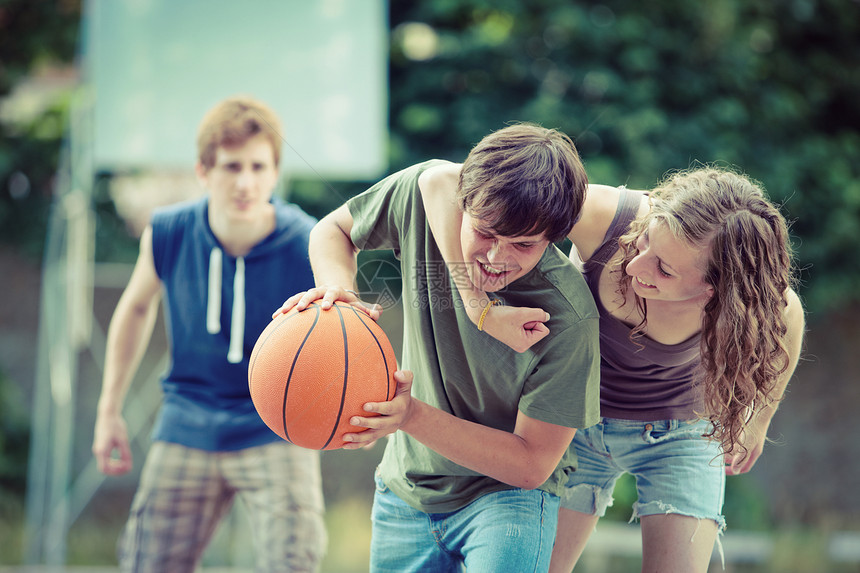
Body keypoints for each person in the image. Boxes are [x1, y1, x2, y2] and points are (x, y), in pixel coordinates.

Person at [276, 123, 602, 573]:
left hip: (508, 502)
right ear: (463, 203)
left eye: (523, 246)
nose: (496, 258)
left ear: (553, 240)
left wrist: (411, 415)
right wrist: (339, 295)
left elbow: (531, 465)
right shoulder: (421, 200)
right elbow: (332, 230)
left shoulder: (569, 318)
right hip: (406, 491)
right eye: (486, 233)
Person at [469, 165, 803, 572]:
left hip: (679, 433)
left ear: (717, 289)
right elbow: (453, 186)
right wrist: (478, 307)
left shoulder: (752, 299)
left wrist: (759, 420)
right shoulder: (603, 217)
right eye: (644, 241)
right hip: (573, 421)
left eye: (664, 269)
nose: (634, 266)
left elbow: (791, 318)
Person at [92, 96, 327, 572]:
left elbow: (340, 337)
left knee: (295, 564)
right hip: (189, 418)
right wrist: (109, 408)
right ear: (203, 171)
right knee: (147, 564)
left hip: (274, 426)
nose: (246, 182)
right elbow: (136, 307)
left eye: (259, 167)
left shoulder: (309, 241)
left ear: (275, 172)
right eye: (230, 166)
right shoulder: (169, 230)